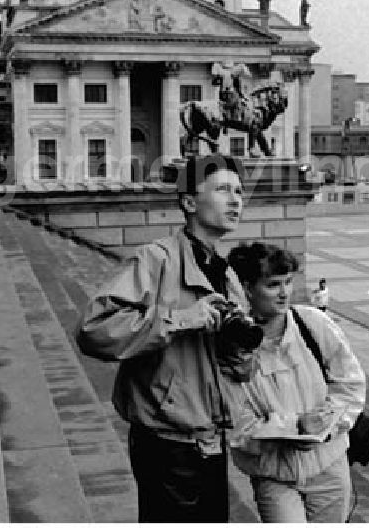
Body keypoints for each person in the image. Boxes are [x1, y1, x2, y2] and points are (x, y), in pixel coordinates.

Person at [75, 155, 258, 522]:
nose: (236, 200)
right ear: (189, 202)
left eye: (239, 191)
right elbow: (93, 329)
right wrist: (179, 320)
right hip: (166, 443)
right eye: (223, 190)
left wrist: (236, 347)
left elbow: (240, 371)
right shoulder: (156, 260)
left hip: (212, 438)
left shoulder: (227, 275)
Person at [227, 242, 366, 523]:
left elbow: (350, 383)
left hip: (329, 465)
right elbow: (232, 419)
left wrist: (327, 425)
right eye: (273, 284)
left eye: (288, 282)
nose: (284, 293)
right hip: (273, 474)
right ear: (247, 287)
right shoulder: (230, 344)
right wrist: (293, 428)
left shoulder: (313, 323)